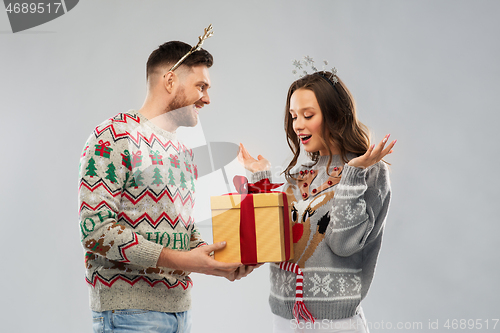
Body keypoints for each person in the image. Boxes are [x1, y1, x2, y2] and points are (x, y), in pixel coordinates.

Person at [78, 39, 254, 333]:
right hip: (128, 316)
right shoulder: (113, 136)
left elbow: (184, 232)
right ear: (170, 80)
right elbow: (95, 230)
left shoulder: (183, 153)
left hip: (180, 314)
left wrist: (219, 260)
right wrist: (186, 260)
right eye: (201, 87)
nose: (207, 99)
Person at [239, 69, 395, 333]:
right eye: (293, 116)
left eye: (308, 115)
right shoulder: (297, 176)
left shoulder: (370, 173)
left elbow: (344, 244)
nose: (298, 125)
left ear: (334, 114)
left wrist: (353, 173)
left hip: (336, 325)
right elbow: (268, 245)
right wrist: (262, 180)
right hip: (283, 322)